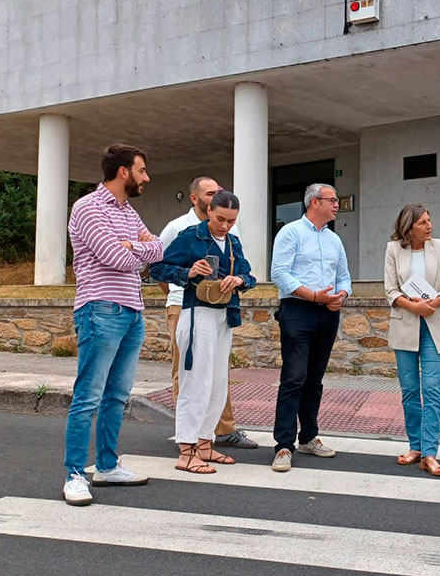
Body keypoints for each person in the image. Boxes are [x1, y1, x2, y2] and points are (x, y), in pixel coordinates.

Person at [62, 143, 163, 506]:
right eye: (141, 170)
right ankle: (74, 474)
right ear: (123, 172)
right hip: (99, 309)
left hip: (133, 311)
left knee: (117, 396)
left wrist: (136, 246)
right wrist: (138, 248)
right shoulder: (88, 208)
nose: (146, 177)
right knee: (88, 396)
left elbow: (160, 249)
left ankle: (105, 465)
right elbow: (115, 258)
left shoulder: (127, 211)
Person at [150, 190, 257, 473]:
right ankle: (186, 451)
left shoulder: (233, 242)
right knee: (194, 382)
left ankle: (204, 443)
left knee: (217, 382)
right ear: (209, 211)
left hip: (224, 316)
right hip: (196, 314)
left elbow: (250, 276)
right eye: (220, 219)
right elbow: (157, 268)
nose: (225, 226)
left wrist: (239, 280)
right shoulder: (190, 236)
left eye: (231, 221)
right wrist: (188, 273)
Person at [269, 183, 351, 472]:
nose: (337, 204)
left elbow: (344, 276)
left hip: (327, 313)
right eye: (332, 200)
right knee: (294, 377)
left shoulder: (334, 240)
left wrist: (341, 296)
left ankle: (308, 437)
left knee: (314, 379)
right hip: (297, 310)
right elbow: (279, 273)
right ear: (314, 202)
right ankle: (283, 446)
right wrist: (313, 295)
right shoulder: (290, 232)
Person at [384, 205, 440, 478]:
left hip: (434, 325)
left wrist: (433, 304)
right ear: (409, 226)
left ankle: (430, 453)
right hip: (405, 326)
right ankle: (415, 446)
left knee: (432, 389)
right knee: (411, 390)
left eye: (430, 220)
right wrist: (413, 307)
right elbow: (390, 290)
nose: (430, 226)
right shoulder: (393, 249)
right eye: (424, 222)